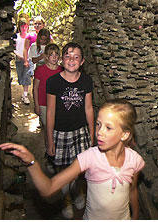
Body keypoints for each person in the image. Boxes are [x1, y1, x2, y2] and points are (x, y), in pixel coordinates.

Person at [0, 99, 145, 220]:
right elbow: (48, 188)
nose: (99, 132)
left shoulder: (134, 161)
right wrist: (31, 162)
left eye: (108, 128)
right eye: (98, 124)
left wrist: (135, 215)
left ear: (124, 135)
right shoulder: (89, 158)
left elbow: (132, 191)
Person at [46, 42, 95, 218]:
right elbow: (50, 111)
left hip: (80, 131)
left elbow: (89, 109)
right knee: (63, 171)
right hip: (60, 133)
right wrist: (50, 140)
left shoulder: (86, 81)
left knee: (80, 168)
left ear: (82, 61)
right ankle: (66, 198)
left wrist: (92, 133)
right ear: (61, 60)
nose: (71, 60)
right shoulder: (53, 82)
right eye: (67, 55)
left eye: (76, 57)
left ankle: (78, 192)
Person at [33, 43, 63, 173]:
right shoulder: (40, 70)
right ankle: (49, 154)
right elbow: (35, 88)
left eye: (56, 55)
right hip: (44, 104)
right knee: (48, 129)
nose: (54, 57)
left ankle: (57, 155)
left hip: (57, 105)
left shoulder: (62, 70)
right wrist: (36, 104)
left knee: (57, 129)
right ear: (46, 56)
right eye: (51, 55)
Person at [14, 16, 33, 105]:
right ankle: (24, 93)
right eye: (22, 26)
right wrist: (18, 55)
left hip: (27, 60)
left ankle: (25, 95)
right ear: (19, 27)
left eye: (25, 26)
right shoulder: (16, 37)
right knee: (21, 77)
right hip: (18, 60)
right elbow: (14, 48)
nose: (24, 28)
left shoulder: (29, 36)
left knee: (26, 77)